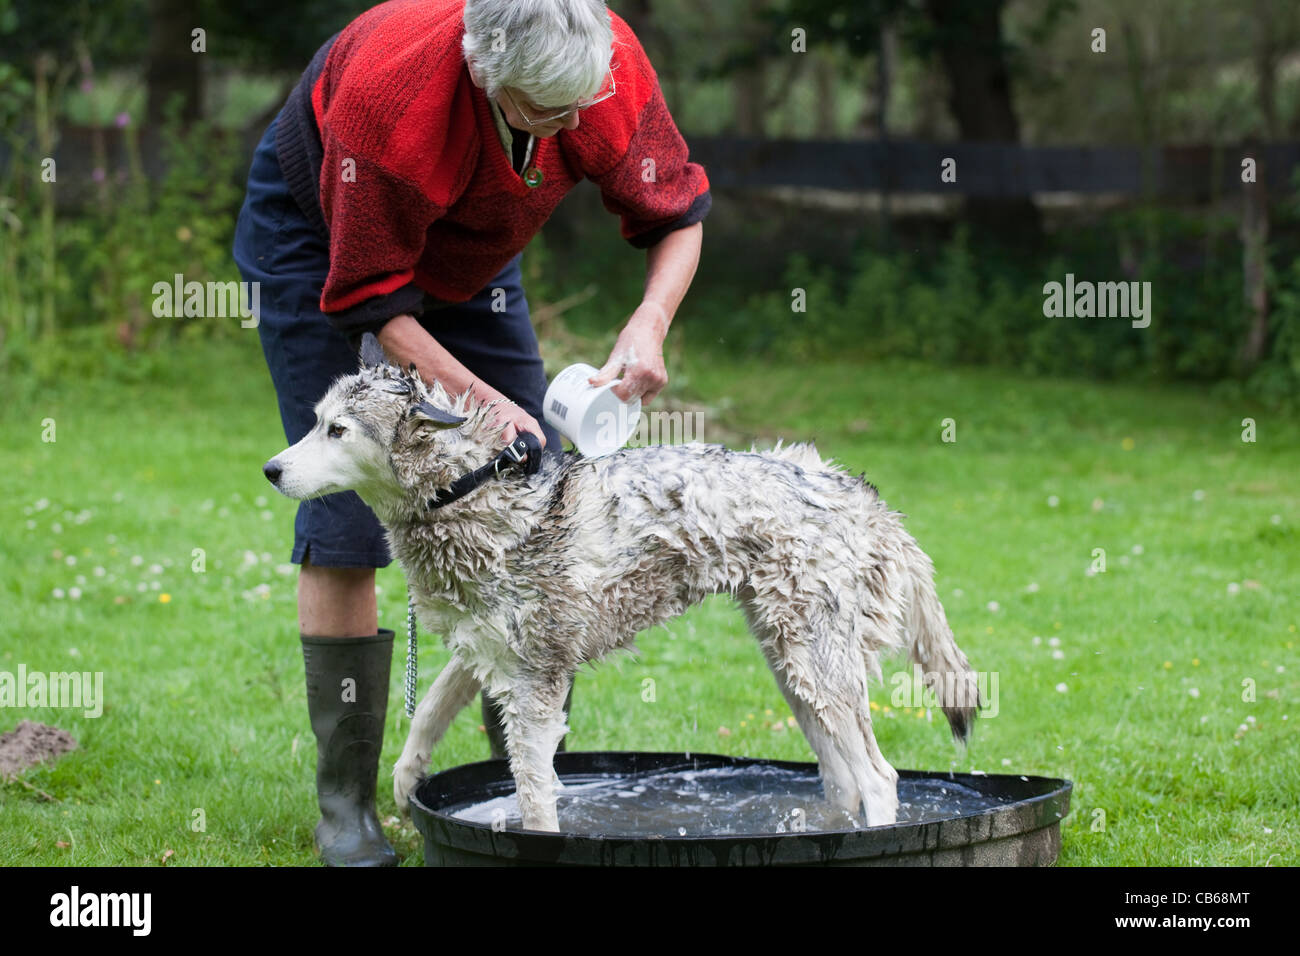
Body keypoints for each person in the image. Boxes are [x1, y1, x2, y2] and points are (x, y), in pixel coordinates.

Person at [231, 0, 709, 866]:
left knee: (535, 500)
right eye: (544, 113)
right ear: (484, 73)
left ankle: (522, 783)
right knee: (347, 522)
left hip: (473, 259)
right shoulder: (393, 107)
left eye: (581, 106)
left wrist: (650, 319)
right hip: (325, 252)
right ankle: (349, 807)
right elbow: (371, 299)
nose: (571, 126)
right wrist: (484, 402)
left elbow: (676, 215)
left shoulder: (605, 68)